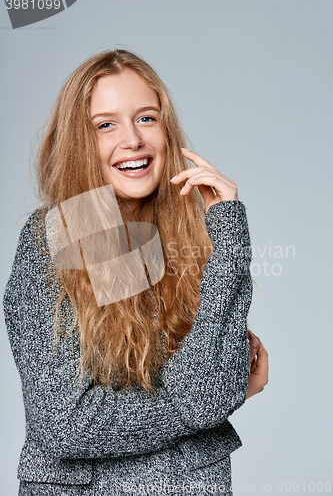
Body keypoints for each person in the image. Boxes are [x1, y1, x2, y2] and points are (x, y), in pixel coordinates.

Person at [3, 49, 268, 496]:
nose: (133, 140)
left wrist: (228, 240)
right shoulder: (60, 234)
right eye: (106, 124)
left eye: (146, 118)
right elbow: (67, 425)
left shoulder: (194, 231)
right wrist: (202, 403)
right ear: (79, 142)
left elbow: (216, 379)